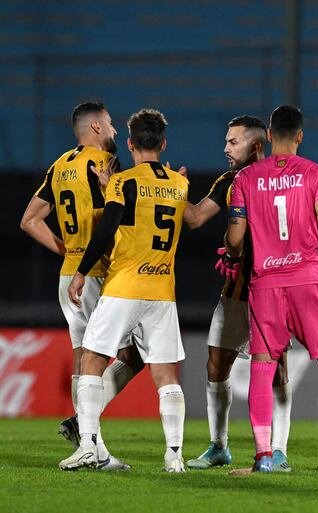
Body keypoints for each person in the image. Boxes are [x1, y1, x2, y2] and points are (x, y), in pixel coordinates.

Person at [222, 104, 318, 472]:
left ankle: (263, 456)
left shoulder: (245, 179)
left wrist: (232, 250)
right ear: (301, 136)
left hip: (266, 284)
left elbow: (236, 240)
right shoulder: (316, 174)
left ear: (270, 136)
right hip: (309, 277)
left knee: (262, 365)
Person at [59, 108, 191, 472]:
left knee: (92, 359)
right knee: (165, 375)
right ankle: (174, 455)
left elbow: (106, 230)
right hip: (162, 291)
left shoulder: (123, 182)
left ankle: (88, 445)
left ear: (130, 143)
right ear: (163, 143)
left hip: (123, 286)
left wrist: (81, 272)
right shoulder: (180, 186)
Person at [20, 102, 143, 471]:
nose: (115, 132)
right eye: (109, 124)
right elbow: (119, 216)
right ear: (94, 127)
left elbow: (29, 220)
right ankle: (88, 436)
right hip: (99, 273)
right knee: (129, 355)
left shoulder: (60, 166)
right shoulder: (104, 163)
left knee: (84, 354)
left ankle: (91, 442)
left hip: (70, 273)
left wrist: (67, 251)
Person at [183, 116, 293, 472]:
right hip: (236, 291)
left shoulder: (286, 179)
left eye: (233, 142)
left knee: (277, 370)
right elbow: (196, 217)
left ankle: (278, 452)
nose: (226, 148)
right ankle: (219, 446)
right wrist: (175, 191)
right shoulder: (230, 181)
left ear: (256, 146)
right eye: (227, 141)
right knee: (216, 363)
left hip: (273, 289)